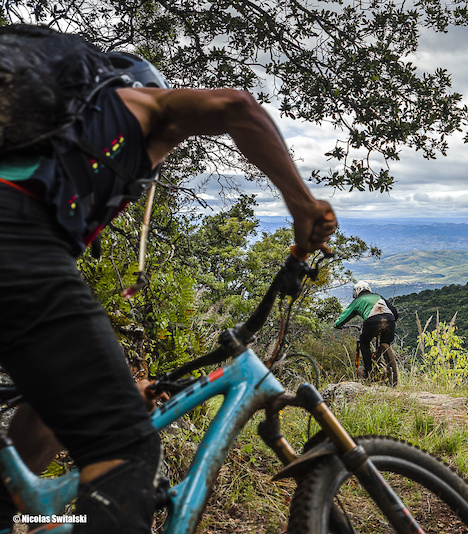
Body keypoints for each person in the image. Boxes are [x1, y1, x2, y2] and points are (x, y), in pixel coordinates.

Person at [0, 33, 336, 534]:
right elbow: (236, 106)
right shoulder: (139, 102)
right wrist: (303, 206)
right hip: (15, 239)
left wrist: (109, 383)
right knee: (127, 450)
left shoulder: (51, 162)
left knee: (52, 411)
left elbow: (45, 354)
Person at [333, 281, 397, 378]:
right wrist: (391, 319)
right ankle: (388, 366)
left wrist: (338, 325)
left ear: (356, 292)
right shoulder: (378, 296)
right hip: (390, 319)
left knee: (364, 342)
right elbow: (394, 313)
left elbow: (343, 318)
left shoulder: (357, 301)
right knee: (386, 341)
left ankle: (368, 371)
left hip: (372, 322)